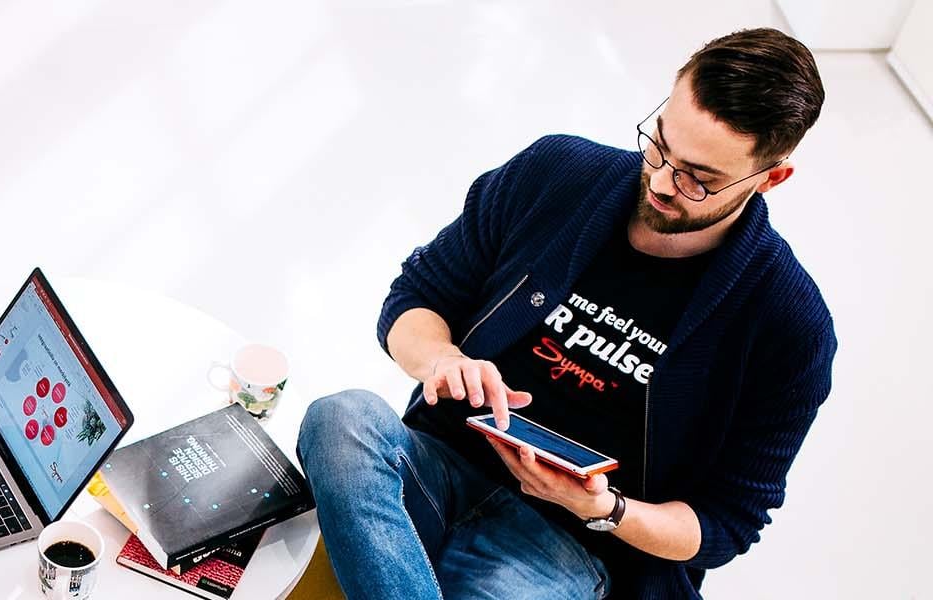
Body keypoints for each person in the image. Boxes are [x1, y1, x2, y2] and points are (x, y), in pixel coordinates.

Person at [297, 28, 835, 599]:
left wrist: (606, 509)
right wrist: (440, 360)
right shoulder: (556, 172)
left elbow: (724, 523)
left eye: (698, 179)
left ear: (772, 177)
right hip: (443, 463)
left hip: (571, 546)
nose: (659, 181)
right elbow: (416, 298)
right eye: (658, 143)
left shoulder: (789, 324)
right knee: (340, 418)